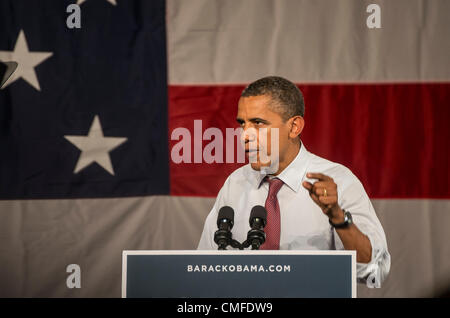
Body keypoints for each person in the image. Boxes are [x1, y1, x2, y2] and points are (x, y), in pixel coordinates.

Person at [197, 76, 390, 286]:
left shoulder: (339, 181)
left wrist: (338, 218)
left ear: (294, 126)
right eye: (243, 124)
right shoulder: (235, 183)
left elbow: (375, 272)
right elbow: (204, 267)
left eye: (258, 123)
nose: (245, 135)